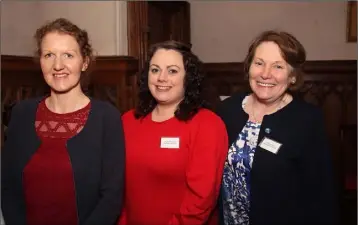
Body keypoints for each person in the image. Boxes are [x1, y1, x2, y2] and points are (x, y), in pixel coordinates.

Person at [1, 18, 125, 225]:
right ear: (40, 60)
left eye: (68, 55)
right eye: (49, 55)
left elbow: (111, 198)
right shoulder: (21, 114)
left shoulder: (107, 118)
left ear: (84, 62)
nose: (58, 65)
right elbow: (8, 187)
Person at [216, 30, 338, 225]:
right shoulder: (227, 110)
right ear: (249, 68)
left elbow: (321, 195)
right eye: (259, 63)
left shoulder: (307, 121)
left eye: (278, 66)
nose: (266, 74)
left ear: (292, 77)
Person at [119, 40, 228, 225]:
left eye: (172, 71)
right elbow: (117, 188)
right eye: (155, 70)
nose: (161, 78)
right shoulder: (128, 121)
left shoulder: (207, 124)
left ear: (188, 78)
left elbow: (202, 199)